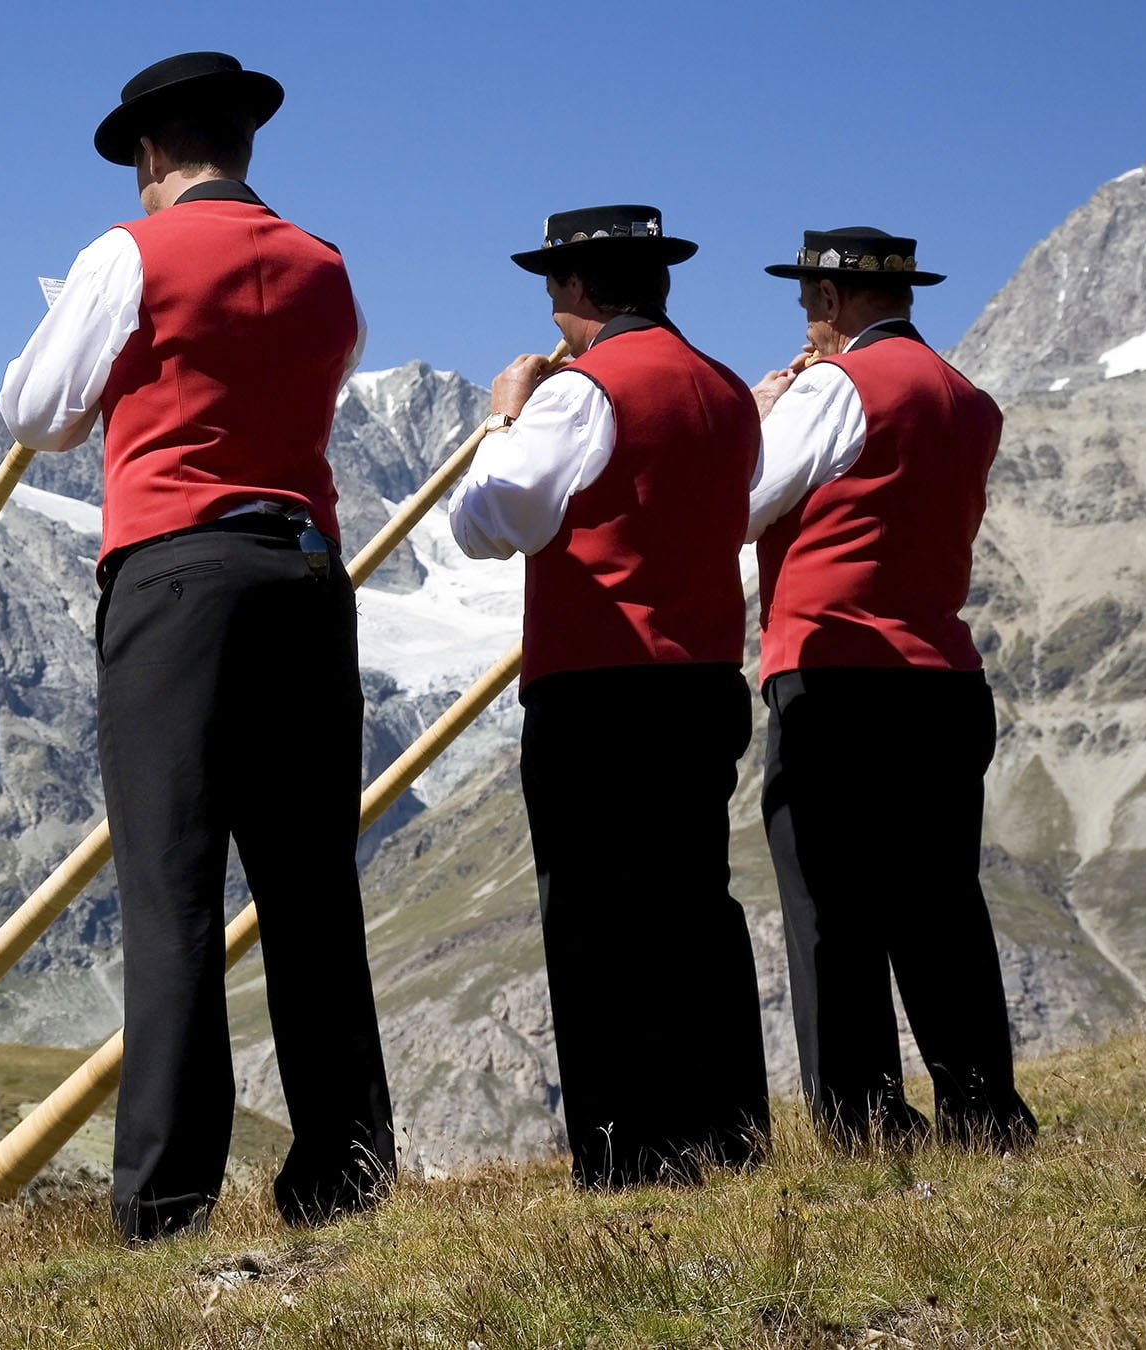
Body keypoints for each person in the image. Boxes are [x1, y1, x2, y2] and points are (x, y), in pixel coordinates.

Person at [0, 50, 394, 1240]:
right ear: (244, 144)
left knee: (172, 887)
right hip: (311, 573)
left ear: (152, 154)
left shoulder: (126, 254)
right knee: (312, 886)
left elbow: (35, 416)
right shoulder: (326, 265)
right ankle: (346, 1173)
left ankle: (166, 1199)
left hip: (182, 572)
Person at [448, 205, 770, 1187]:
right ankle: (728, 1131)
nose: (551, 306)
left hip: (599, 686)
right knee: (693, 908)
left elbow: (489, 523)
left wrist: (506, 414)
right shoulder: (726, 391)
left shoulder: (580, 394)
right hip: (704, 676)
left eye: (555, 286)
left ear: (581, 291)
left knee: (596, 923)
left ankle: (630, 1152)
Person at [748, 227, 1036, 1151]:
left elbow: (741, 499)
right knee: (941, 902)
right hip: (944, 675)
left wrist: (765, 409)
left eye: (807, 302)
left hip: (833, 670)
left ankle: (864, 1118)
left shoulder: (837, 386)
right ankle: (984, 1108)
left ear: (831, 303)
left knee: (829, 903)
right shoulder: (970, 401)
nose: (804, 320)